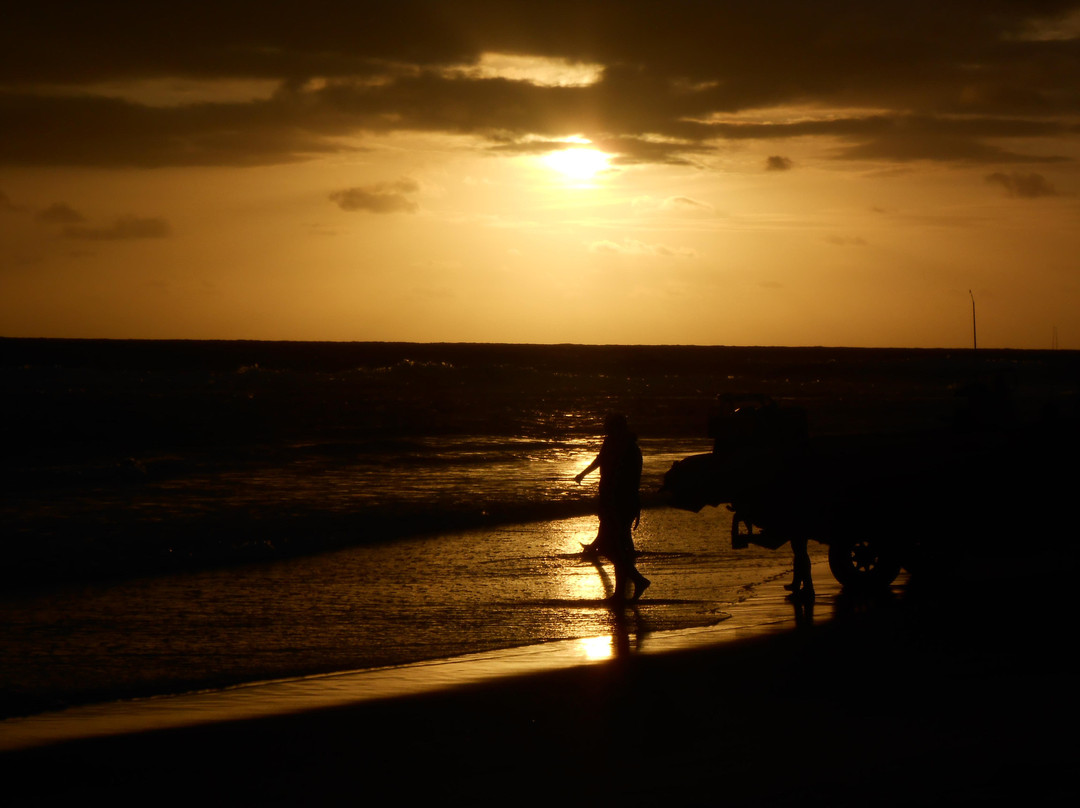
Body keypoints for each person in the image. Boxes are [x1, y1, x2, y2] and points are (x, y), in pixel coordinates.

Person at [575, 414, 650, 602]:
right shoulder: (614, 443)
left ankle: (636, 581)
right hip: (615, 500)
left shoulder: (627, 448)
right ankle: (624, 590)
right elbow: (600, 460)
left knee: (612, 547)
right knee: (615, 546)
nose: (604, 428)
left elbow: (625, 479)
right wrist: (583, 474)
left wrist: (612, 500)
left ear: (616, 428)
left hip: (620, 502)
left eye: (607, 425)